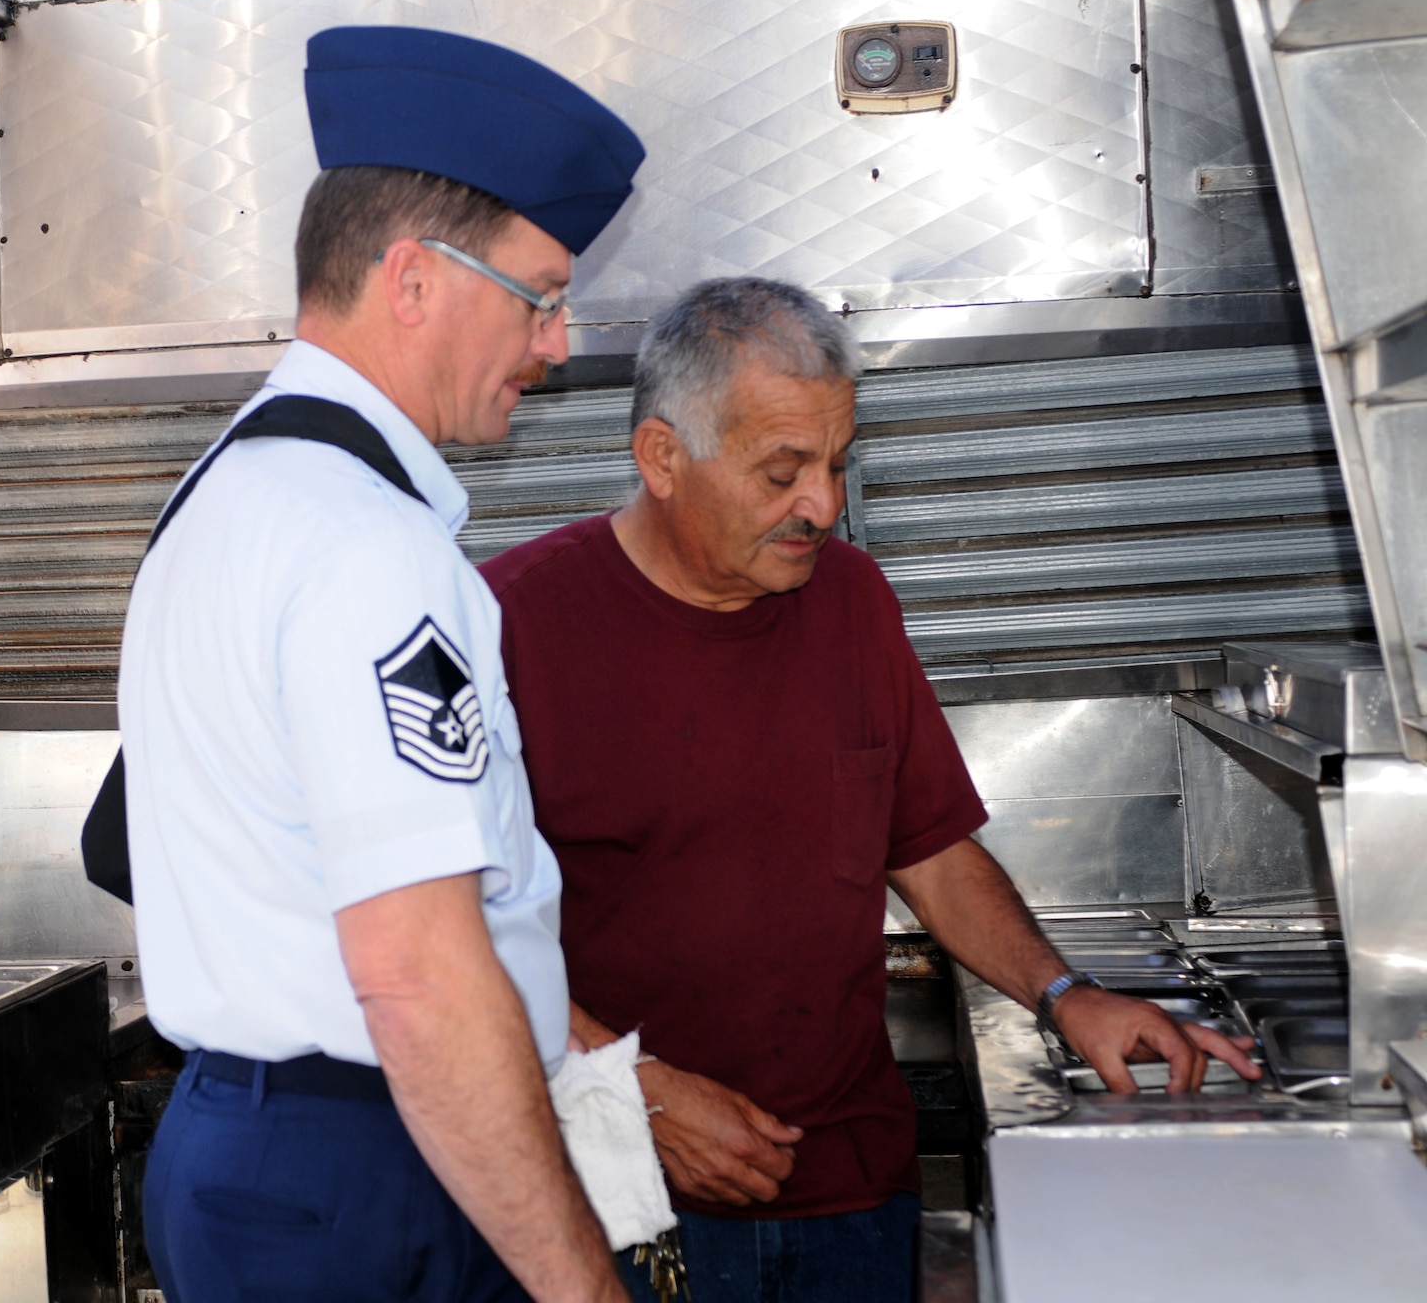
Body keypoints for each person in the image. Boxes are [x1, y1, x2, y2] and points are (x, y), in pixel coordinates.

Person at [480, 278, 1263, 1303]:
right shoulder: (508, 625)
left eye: (837, 462)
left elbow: (928, 849)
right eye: (781, 470)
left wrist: (1066, 996)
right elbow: (452, 931)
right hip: (619, 1201)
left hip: (850, 1187)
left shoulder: (848, 599)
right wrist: (631, 1089)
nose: (823, 504)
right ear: (662, 458)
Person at [119, 25, 647, 1303]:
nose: (555, 343)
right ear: (412, 280)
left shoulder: (231, 494)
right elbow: (416, 972)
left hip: (264, 1160)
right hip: (367, 1172)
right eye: (536, 294)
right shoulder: (367, 546)